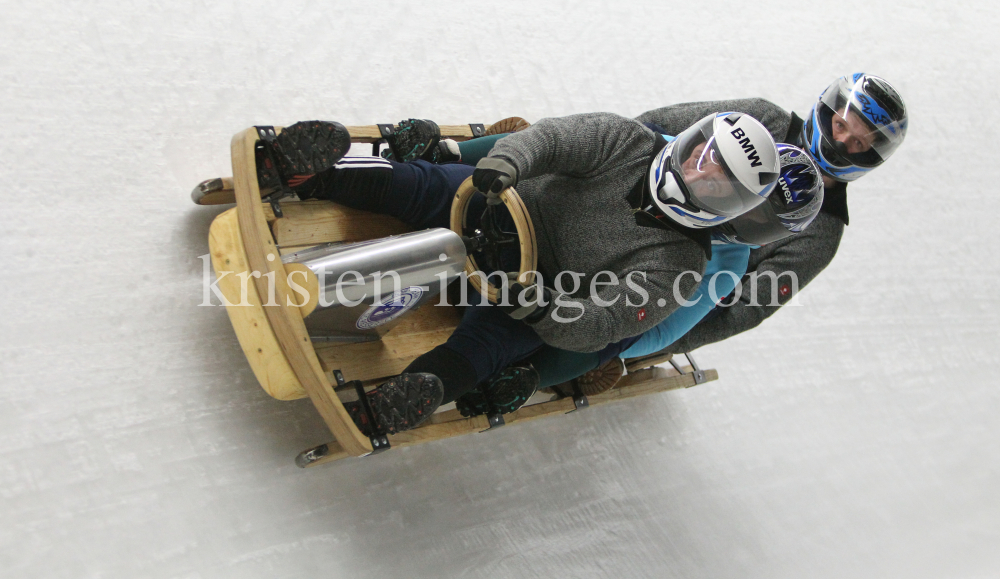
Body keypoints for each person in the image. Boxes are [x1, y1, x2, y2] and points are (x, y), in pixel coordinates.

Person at [257, 112, 781, 435]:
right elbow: (555, 140)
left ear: (729, 203)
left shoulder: (682, 262)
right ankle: (309, 172)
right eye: (705, 155)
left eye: (720, 180)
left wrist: (549, 313)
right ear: (693, 142)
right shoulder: (627, 141)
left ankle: (411, 395)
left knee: (491, 346)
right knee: (421, 184)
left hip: (528, 291)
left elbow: (612, 319)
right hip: (494, 203)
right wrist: (508, 161)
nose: (701, 171)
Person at [633, 73, 907, 356]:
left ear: (867, 158)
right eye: (839, 125)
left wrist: (656, 341)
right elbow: (659, 124)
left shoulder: (823, 233)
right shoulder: (762, 117)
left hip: (674, 274)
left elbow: (746, 306)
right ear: (827, 112)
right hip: (649, 197)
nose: (840, 142)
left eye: (858, 143)